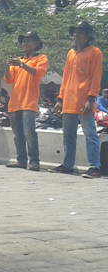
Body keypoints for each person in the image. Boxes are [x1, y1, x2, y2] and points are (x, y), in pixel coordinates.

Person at [49, 21, 103, 178]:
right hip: (69, 100)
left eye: (80, 32)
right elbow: (65, 77)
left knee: (90, 134)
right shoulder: (70, 53)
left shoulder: (95, 52)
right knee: (68, 135)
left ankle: (94, 167)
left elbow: (96, 77)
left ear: (87, 36)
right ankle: (67, 164)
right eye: (75, 32)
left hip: (85, 101)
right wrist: (60, 98)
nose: (76, 35)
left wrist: (91, 98)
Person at [5, 32, 48, 171]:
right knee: (18, 134)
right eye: (23, 41)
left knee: (29, 132)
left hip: (29, 102)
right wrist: (7, 66)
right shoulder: (18, 60)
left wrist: (22, 64)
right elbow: (8, 79)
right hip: (15, 102)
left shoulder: (41, 58)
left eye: (28, 41)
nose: (25, 43)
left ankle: (34, 161)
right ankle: (21, 160)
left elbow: (37, 72)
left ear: (36, 44)